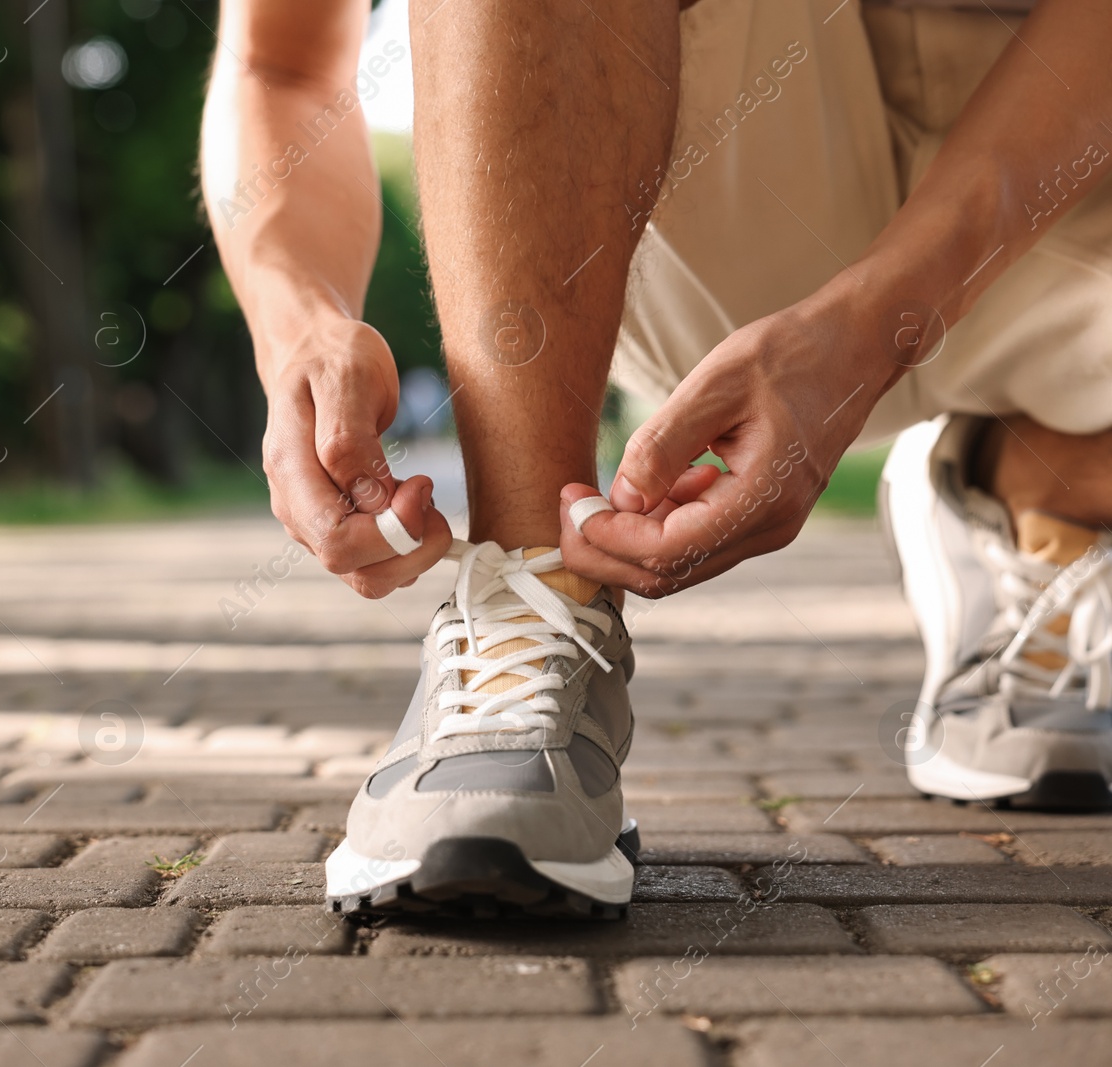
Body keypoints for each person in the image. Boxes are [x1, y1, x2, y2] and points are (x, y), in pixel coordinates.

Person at [200, 0, 1112, 918]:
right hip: (731, 177)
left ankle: (1040, 501)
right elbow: (280, 64)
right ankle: (536, 589)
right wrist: (298, 328)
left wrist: (881, 321)